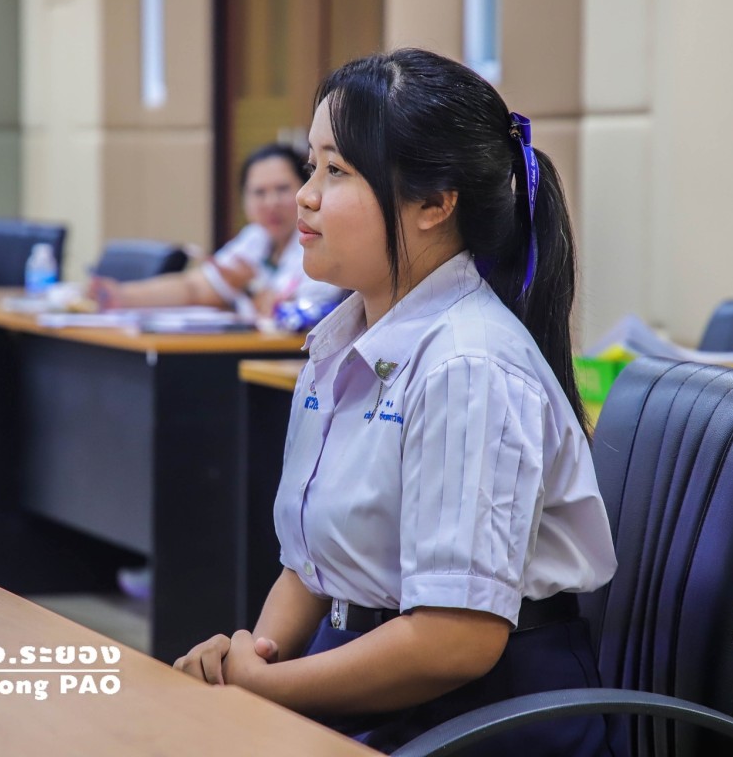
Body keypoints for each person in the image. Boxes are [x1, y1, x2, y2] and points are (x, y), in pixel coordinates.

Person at [172, 49, 620, 755]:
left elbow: (454, 642)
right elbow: (312, 569)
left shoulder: (468, 365)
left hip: (481, 719)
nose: (305, 197)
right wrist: (253, 663)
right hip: (370, 682)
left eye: (337, 172)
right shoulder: (344, 340)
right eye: (312, 166)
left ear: (435, 204)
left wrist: (270, 690)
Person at [91, 143, 340, 318]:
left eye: (282, 189)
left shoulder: (321, 240)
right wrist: (121, 295)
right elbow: (195, 288)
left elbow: (298, 317)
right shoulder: (256, 238)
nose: (271, 203)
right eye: (259, 193)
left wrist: (248, 287)